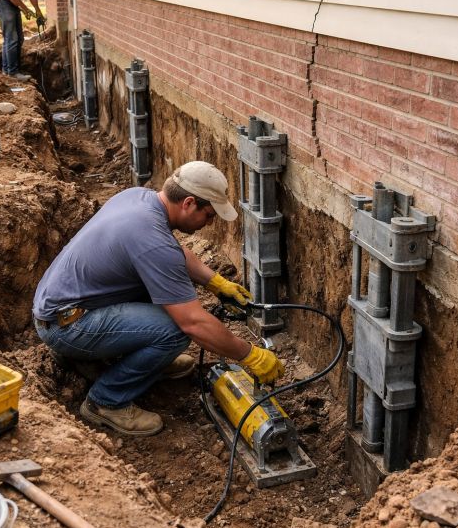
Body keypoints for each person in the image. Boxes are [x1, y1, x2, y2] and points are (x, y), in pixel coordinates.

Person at [33, 161, 284, 436]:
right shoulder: (152, 241)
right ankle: (106, 401)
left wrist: (216, 283)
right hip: (68, 327)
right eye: (209, 215)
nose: (209, 223)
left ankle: (136, 359)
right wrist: (249, 355)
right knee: (176, 331)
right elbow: (193, 323)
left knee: (161, 297)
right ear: (189, 203)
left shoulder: (139, 199)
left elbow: (174, 251)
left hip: (63, 307)